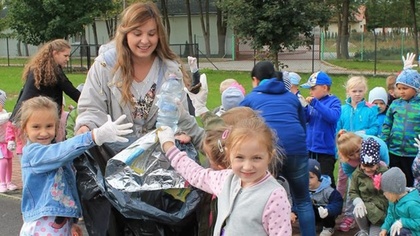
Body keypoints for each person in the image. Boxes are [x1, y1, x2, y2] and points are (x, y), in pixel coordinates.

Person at [74, 2, 205, 235]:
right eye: (137, 33)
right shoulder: (105, 65)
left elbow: (182, 118)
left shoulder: (169, 70)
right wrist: (85, 128)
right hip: (115, 165)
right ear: (125, 33)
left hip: (158, 171)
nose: (145, 40)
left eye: (151, 33)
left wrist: (211, 144)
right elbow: (91, 108)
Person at [16, 96, 133, 236]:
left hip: (59, 223)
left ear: (57, 125)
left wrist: (72, 222)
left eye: (49, 126)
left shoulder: (56, 153)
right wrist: (93, 136)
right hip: (42, 224)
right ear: (24, 127)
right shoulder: (33, 154)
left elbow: (67, 188)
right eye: (36, 127)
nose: (44, 132)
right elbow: (62, 151)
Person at [157, 117, 292, 235]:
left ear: (270, 156)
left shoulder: (274, 196)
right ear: (228, 155)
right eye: (239, 157)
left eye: (256, 158)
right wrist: (168, 145)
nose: (247, 166)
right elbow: (195, 173)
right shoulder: (226, 179)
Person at [239, 61, 315, 236]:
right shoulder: (290, 97)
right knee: (303, 200)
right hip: (297, 148)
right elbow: (302, 125)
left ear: (255, 79)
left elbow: (241, 127)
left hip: (269, 151)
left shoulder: (251, 98)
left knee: (260, 196)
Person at [336, 75, 380, 231]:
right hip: (347, 156)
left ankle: (351, 216)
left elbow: (376, 129)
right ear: (348, 91)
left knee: (355, 186)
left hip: (363, 156)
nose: (357, 94)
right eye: (354, 91)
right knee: (342, 182)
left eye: (360, 91)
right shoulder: (342, 110)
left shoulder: (370, 109)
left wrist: (362, 133)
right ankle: (336, 208)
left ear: (365, 91)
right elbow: (337, 130)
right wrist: (340, 136)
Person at [335, 130, 389, 232]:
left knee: (381, 188)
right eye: (351, 154)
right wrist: (359, 198)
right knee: (355, 189)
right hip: (356, 170)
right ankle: (350, 216)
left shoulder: (379, 146)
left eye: (357, 151)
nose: (356, 155)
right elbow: (354, 181)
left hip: (378, 164)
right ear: (345, 155)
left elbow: (386, 166)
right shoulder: (346, 163)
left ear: (361, 143)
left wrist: (376, 176)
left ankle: (384, 213)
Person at [300, 71, 341, 188]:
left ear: (324, 88)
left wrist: (315, 104)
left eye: (313, 88)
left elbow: (332, 117)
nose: (310, 92)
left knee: (325, 180)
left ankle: (331, 203)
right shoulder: (313, 103)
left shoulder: (334, 101)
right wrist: (304, 108)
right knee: (309, 179)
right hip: (310, 148)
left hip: (325, 152)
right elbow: (307, 119)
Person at [380, 69, 420, 187]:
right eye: (399, 88)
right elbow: (387, 124)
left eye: (405, 88)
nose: (401, 92)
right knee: (394, 182)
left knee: (411, 182)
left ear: (416, 88)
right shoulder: (395, 104)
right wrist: (384, 141)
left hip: (412, 153)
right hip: (394, 151)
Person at [349, 138, 389, 236]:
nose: (367, 170)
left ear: (377, 163)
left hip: (381, 214)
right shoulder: (357, 174)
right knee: (357, 210)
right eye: (364, 166)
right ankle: (364, 230)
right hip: (366, 210)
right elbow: (353, 191)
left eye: (371, 166)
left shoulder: (385, 172)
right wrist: (358, 201)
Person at [379, 167, 420, 236]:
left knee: (400, 232)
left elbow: (418, 222)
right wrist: (385, 228)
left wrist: (402, 222)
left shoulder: (412, 204)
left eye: (385, 192)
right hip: (398, 227)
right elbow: (390, 215)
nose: (384, 194)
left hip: (413, 232)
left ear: (394, 190)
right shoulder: (393, 200)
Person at [308, 159, 343, 236]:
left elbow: (338, 204)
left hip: (326, 214)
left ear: (318, 176)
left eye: (311, 177)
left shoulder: (328, 191)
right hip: (313, 214)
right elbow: (296, 203)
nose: (307, 180)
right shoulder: (302, 189)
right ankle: (311, 224)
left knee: (326, 210)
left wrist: (328, 210)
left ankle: (328, 227)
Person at [0, 90, 17, 193]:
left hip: (6, 143)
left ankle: (8, 181)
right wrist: (10, 116)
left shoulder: (4, 112)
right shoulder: (5, 115)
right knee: (3, 162)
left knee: (9, 161)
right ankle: (2, 183)